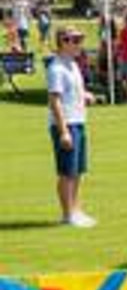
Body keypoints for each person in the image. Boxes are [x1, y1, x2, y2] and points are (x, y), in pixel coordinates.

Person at [46, 27, 96, 226]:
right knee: (66, 172)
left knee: (78, 170)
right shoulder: (56, 68)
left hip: (79, 120)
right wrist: (64, 131)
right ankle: (67, 215)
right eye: (75, 40)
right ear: (63, 42)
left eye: (80, 40)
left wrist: (86, 95)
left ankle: (76, 210)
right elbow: (55, 101)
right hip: (66, 124)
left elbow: (74, 91)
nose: (79, 45)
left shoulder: (73, 65)